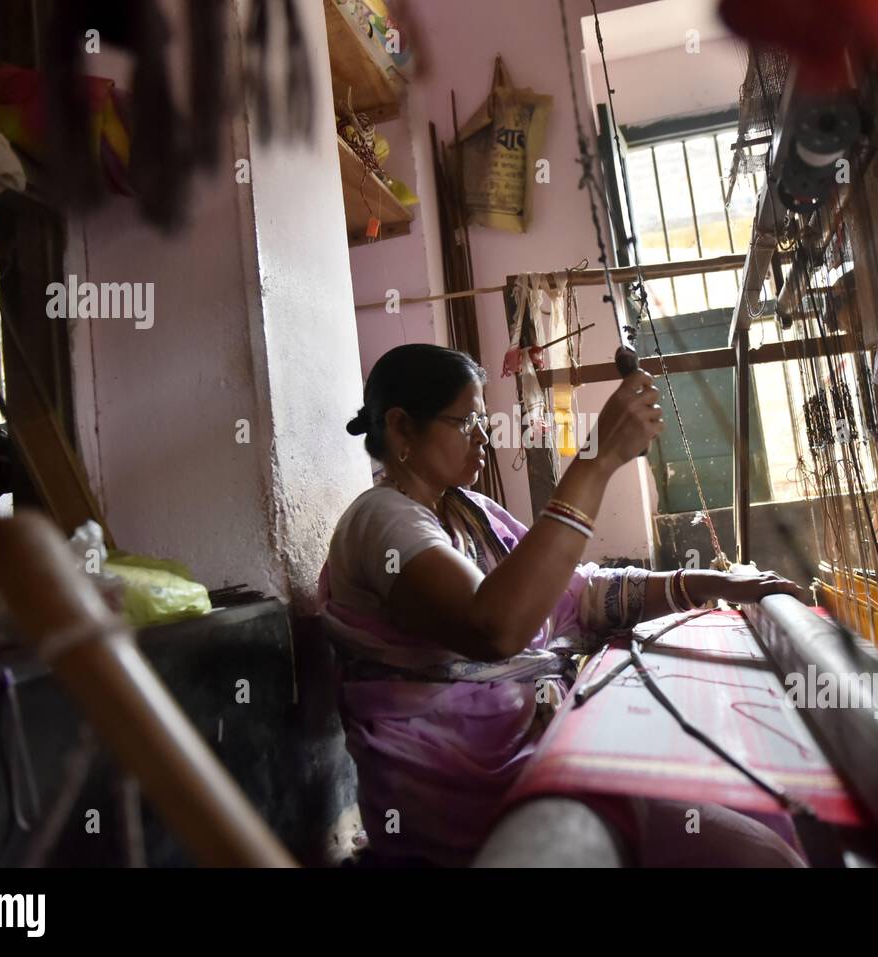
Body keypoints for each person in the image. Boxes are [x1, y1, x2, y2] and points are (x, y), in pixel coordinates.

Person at [319, 343, 804, 866]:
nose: (484, 436)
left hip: (531, 768)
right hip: (459, 807)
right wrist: (595, 464)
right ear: (401, 428)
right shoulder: (380, 520)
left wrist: (708, 584)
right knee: (758, 856)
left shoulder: (471, 514)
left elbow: (578, 593)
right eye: (466, 421)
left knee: (758, 823)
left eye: (485, 420)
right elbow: (494, 627)